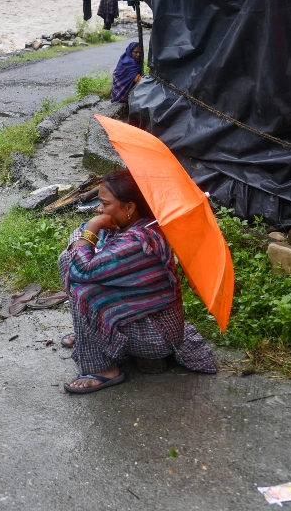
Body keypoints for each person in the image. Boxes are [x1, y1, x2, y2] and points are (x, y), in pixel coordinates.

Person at [57, 168, 216, 393]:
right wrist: (89, 231)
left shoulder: (138, 243)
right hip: (136, 318)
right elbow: (79, 238)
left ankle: (104, 370)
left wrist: (93, 226)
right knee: (69, 259)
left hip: (155, 336)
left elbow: (81, 265)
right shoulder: (127, 226)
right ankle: (89, 335)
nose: (99, 209)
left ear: (129, 207)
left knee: (84, 288)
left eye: (105, 204)